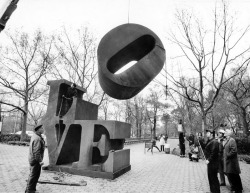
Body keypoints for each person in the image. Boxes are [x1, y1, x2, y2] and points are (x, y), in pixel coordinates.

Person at [25, 125, 45, 193]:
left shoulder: (36, 136)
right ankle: (30, 191)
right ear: (38, 130)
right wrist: (40, 161)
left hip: (32, 159)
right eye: (41, 128)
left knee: (33, 175)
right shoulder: (37, 138)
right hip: (35, 160)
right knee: (34, 176)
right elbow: (36, 152)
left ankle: (30, 189)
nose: (43, 129)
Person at [223, 129, 243, 193]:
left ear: (229, 133)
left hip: (232, 162)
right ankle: (234, 188)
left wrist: (228, 155)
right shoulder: (227, 140)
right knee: (230, 175)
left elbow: (234, 150)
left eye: (226, 132)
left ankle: (238, 189)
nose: (224, 133)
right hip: (229, 161)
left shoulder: (232, 140)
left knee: (234, 175)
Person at [205, 129, 220, 193]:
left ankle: (216, 191)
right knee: (210, 178)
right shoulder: (210, 141)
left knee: (213, 178)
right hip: (211, 163)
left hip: (213, 163)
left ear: (211, 134)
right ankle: (213, 191)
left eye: (208, 133)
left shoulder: (214, 142)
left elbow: (214, 153)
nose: (206, 134)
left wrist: (209, 159)